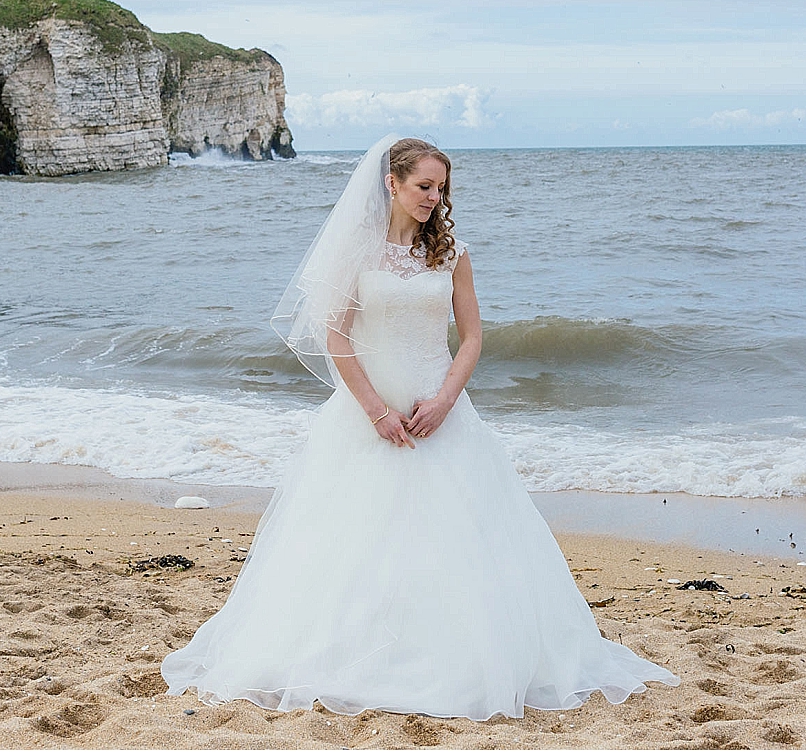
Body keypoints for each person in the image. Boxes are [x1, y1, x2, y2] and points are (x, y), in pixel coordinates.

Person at [163, 135, 677, 720]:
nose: (434, 198)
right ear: (393, 183)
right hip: (368, 415)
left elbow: (473, 338)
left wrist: (444, 402)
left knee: (459, 540)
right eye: (423, 186)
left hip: (441, 412)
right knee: (351, 543)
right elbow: (337, 343)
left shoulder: (452, 252)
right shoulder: (356, 253)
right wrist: (377, 413)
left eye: (441, 188)